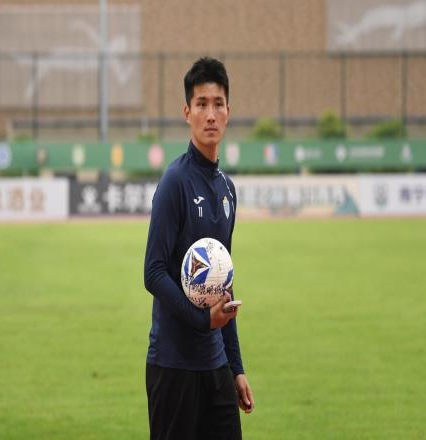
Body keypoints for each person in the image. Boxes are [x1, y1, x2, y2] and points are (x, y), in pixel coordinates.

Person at [144, 57, 254, 440]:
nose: (210, 114)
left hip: (216, 367)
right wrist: (202, 319)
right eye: (201, 104)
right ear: (186, 112)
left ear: (228, 113)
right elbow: (153, 272)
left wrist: (236, 367)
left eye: (218, 104)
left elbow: (225, 284)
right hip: (173, 366)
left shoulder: (227, 189)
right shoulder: (175, 182)